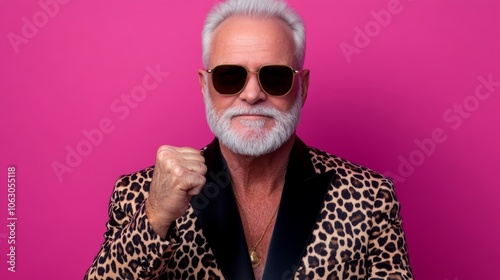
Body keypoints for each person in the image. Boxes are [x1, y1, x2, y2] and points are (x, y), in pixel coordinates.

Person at [85, 0, 413, 279]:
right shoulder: (140, 194)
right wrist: (154, 218)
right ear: (204, 86)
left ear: (303, 86)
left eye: (275, 76)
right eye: (231, 76)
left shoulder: (369, 198)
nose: (253, 94)